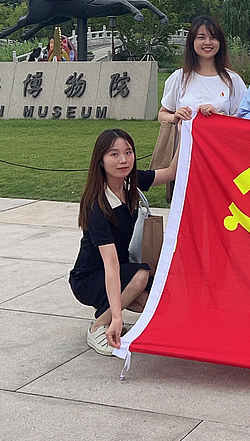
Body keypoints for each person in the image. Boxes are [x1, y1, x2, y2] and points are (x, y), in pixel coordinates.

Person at [69, 128, 178, 355]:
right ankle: (99, 326)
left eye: (128, 152)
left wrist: (187, 130)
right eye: (114, 154)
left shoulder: (131, 182)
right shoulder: (97, 205)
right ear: (100, 160)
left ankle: (108, 317)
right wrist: (118, 317)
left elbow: (171, 172)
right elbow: (110, 265)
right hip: (89, 278)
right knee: (141, 275)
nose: (123, 160)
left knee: (153, 302)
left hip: (120, 271)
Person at [159, 16, 247, 127]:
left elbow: (244, 119)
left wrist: (219, 116)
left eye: (213, 38)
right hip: (184, 138)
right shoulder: (179, 77)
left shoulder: (232, 79)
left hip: (218, 138)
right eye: (201, 37)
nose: (208, 42)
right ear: (192, 41)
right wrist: (175, 117)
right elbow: (162, 114)